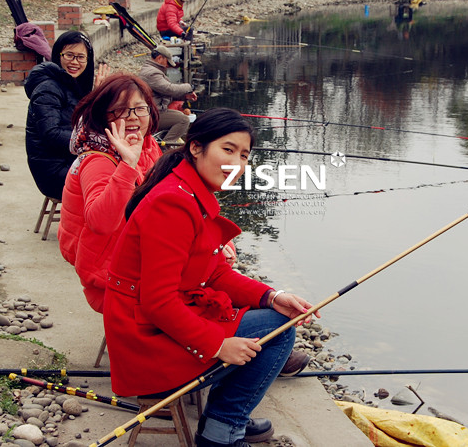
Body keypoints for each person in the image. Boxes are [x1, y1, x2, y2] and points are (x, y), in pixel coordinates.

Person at [104, 108, 319, 447]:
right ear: (196, 147)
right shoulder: (173, 203)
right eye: (228, 149)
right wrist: (218, 345)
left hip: (154, 326)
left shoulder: (188, 190)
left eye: (244, 155)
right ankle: (222, 431)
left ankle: (225, 418)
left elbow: (215, 271)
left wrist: (272, 296)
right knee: (277, 331)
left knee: (275, 316)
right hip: (144, 343)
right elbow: (158, 302)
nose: (237, 163)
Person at [57, 73, 162, 313]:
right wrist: (128, 165)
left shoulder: (148, 145)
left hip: (138, 258)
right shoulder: (98, 160)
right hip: (111, 279)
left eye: (140, 108)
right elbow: (101, 223)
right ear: (103, 115)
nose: (133, 117)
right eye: (121, 110)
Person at [25, 31, 110, 200]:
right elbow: (51, 134)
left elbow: (84, 122)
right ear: (58, 55)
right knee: (115, 180)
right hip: (53, 171)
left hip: (69, 160)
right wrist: (92, 142)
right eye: (69, 55)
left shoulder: (72, 85)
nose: (75, 62)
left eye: (81, 57)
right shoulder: (48, 89)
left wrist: (96, 95)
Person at [138, 45, 197, 144]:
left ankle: (162, 143)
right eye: (167, 62)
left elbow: (164, 93)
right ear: (159, 58)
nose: (168, 66)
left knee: (179, 116)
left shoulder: (150, 70)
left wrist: (185, 97)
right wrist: (190, 87)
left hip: (154, 111)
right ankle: (165, 147)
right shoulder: (152, 73)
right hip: (152, 114)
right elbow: (169, 89)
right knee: (183, 120)